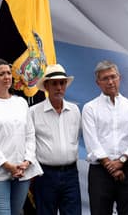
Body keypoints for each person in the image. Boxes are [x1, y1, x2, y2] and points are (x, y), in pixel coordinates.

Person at [0, 58, 41, 215]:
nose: (7, 77)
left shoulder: (21, 103)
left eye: (8, 73)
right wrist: (7, 165)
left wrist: (27, 161)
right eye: (1, 74)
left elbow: (30, 135)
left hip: (22, 172)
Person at [83, 60, 128, 215]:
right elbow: (92, 141)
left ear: (119, 78)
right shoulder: (90, 108)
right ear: (98, 83)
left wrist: (121, 161)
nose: (110, 82)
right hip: (100, 171)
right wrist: (110, 165)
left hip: (127, 168)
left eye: (113, 77)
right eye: (105, 78)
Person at [31, 64, 82, 215]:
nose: (59, 87)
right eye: (54, 83)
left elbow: (76, 137)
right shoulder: (33, 112)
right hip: (45, 175)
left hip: (70, 174)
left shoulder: (74, 110)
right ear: (46, 86)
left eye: (62, 83)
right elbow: (29, 144)